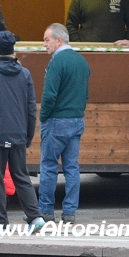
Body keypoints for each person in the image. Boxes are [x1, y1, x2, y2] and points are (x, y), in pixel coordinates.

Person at [0, 30, 45, 232]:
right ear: (13, 50)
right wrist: (28, 135)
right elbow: (31, 109)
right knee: (21, 175)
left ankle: (0, 223)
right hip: (18, 134)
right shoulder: (25, 75)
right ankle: (35, 217)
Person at [39, 23, 91, 224]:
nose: (44, 44)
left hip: (56, 122)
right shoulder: (82, 62)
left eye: (47, 40)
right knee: (71, 168)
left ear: (59, 40)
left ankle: (45, 211)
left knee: (49, 166)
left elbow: (49, 95)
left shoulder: (56, 62)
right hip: (76, 121)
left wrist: (43, 117)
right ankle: (69, 213)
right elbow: (85, 94)